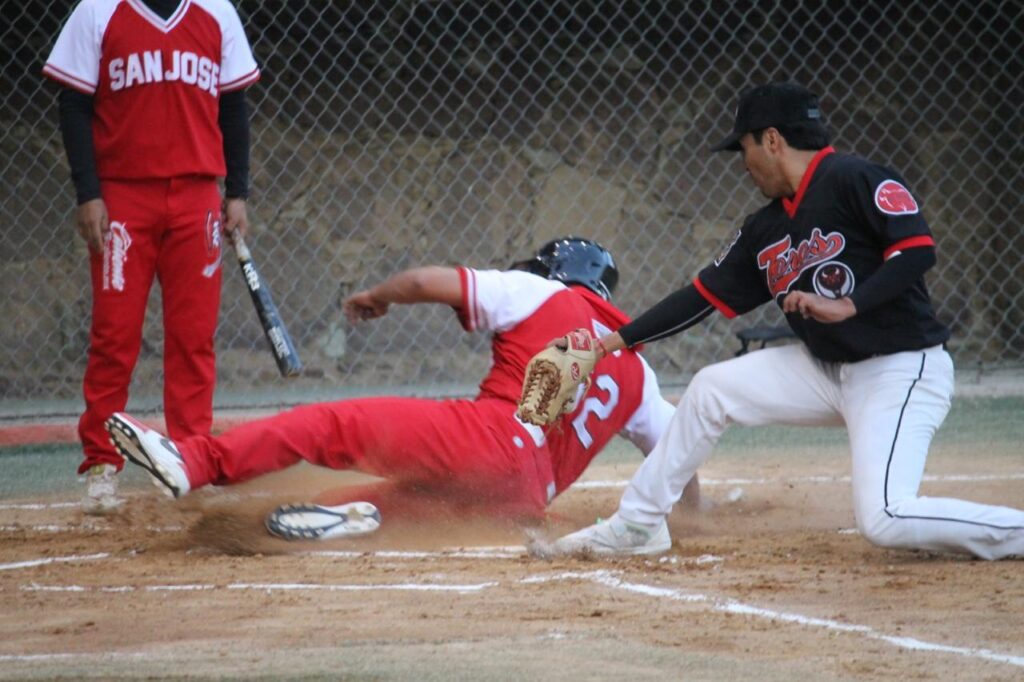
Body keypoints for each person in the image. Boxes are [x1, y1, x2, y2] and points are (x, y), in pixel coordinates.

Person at [548, 82, 1024, 560]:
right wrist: (607, 344)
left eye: (745, 147)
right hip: (825, 370)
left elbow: (916, 251)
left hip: (899, 369)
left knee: (885, 518)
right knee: (711, 389)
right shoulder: (765, 228)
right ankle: (638, 524)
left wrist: (851, 304)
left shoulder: (857, 178)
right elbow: (698, 298)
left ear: (772, 140)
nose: (744, 163)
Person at [105, 238, 699, 541]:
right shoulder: (637, 368)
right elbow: (679, 453)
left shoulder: (544, 292)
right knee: (390, 506)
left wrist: (378, 296)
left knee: (331, 427)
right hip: (523, 499)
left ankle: (196, 462)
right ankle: (360, 520)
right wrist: (696, 518)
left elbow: (422, 282)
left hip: (491, 441)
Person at [43, 0, 260, 514]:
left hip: (196, 195)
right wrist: (88, 192)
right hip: (123, 196)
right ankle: (102, 463)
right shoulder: (98, 11)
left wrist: (237, 191)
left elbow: (233, 107)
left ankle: (189, 458)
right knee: (114, 336)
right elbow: (73, 106)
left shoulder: (216, 12)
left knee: (194, 337)